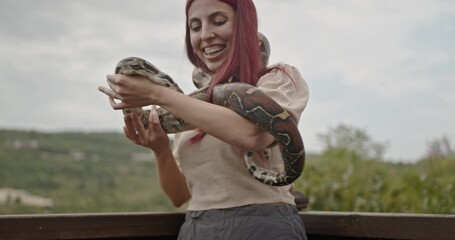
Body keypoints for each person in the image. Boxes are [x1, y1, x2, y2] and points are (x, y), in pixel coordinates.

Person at [99, 0, 309, 239]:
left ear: (245, 26)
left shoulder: (276, 80)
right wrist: (160, 150)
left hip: (262, 227)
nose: (206, 35)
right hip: (197, 227)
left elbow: (253, 135)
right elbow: (179, 196)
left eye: (218, 21)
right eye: (195, 27)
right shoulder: (188, 108)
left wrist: (157, 94)